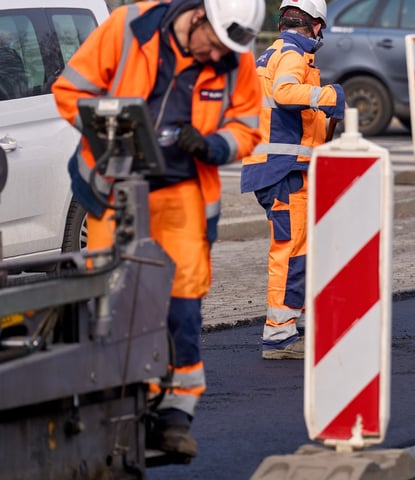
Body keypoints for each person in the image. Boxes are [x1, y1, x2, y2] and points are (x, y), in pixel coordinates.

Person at [52, 0, 264, 459]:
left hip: (182, 192)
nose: (216, 57)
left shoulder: (234, 56)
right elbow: (70, 89)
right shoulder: (131, 27)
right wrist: (110, 129)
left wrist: (210, 145)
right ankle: (108, 407)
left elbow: (249, 125)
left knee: (183, 302)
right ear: (198, 16)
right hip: (115, 188)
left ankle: (173, 417)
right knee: (109, 296)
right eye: (213, 45)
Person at [241, 0, 345, 360]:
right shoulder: (293, 54)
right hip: (282, 170)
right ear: (315, 25)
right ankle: (280, 335)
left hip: (278, 168)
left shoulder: (272, 53)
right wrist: (329, 96)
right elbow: (285, 94)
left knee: (297, 249)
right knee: (290, 251)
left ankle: (291, 323)